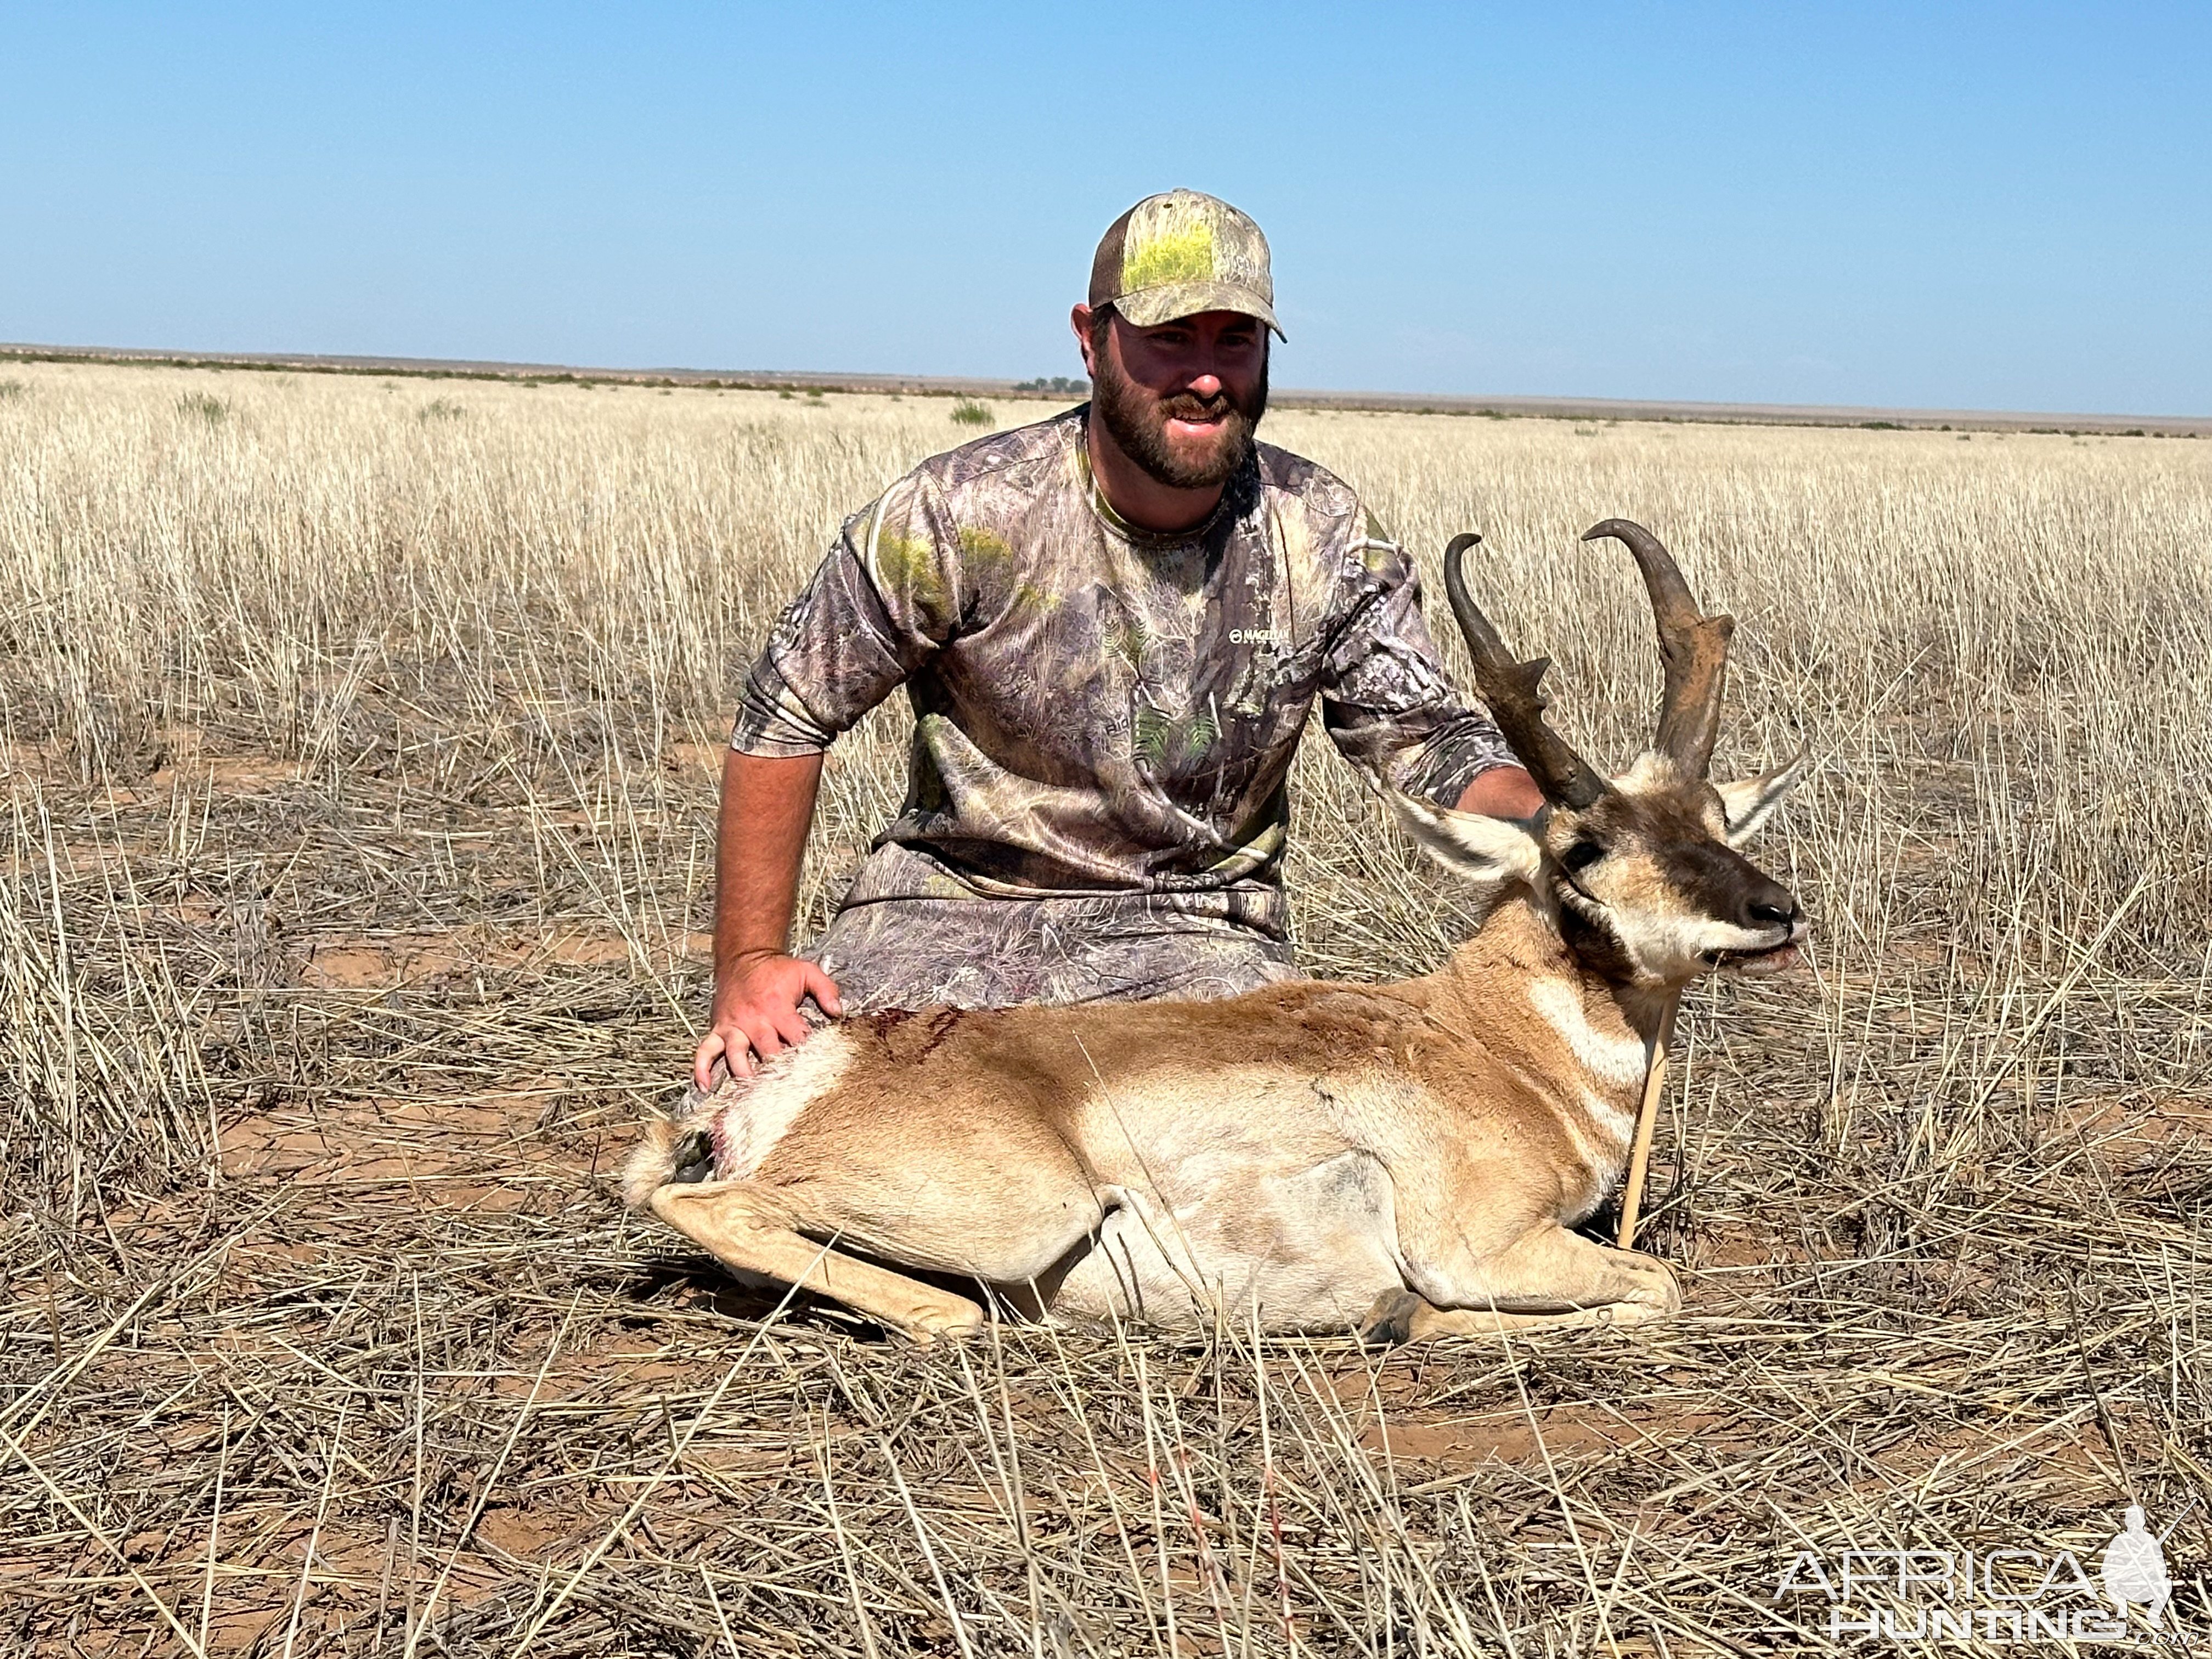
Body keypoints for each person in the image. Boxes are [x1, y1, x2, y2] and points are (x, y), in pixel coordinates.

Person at [692, 189, 1542, 1088]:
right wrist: (749, 967)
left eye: (1236, 340)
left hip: (1199, 941)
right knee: (756, 1107)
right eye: (1171, 337)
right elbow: (786, 711)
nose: (1208, 376)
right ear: (1090, 340)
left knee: (1303, 1152)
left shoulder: (1321, 531)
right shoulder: (959, 510)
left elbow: (1432, 740)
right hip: (943, 923)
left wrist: (1572, 831)